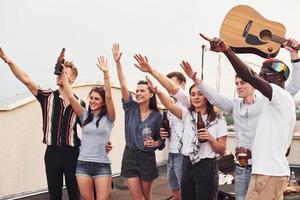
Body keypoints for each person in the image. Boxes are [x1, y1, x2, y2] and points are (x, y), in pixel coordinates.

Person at [180, 36, 300, 200]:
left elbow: (254, 76)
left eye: (264, 76)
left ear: (279, 78)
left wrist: (226, 50)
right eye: (260, 75)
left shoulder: (278, 97)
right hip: (254, 166)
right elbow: (217, 99)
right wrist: (198, 82)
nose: (261, 78)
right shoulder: (264, 104)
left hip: (269, 172)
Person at [0, 48, 85, 200]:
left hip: (72, 154)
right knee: (54, 195)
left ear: (71, 79)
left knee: (75, 194)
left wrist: (104, 143)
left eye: (64, 73)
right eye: (58, 72)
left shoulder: (80, 104)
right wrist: (9, 61)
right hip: (52, 153)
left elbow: (89, 129)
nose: (59, 74)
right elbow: (26, 79)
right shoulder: (47, 97)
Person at [141, 62, 227, 199]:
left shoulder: (218, 119)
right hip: (187, 163)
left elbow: (222, 149)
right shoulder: (187, 114)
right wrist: (157, 91)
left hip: (206, 166)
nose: (196, 97)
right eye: (193, 94)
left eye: (200, 94)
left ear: (207, 97)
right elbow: (169, 104)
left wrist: (210, 138)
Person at [112, 44, 165, 200]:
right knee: (138, 198)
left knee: (146, 198)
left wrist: (156, 143)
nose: (138, 93)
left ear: (150, 94)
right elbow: (123, 85)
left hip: (147, 158)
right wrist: (117, 63)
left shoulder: (157, 116)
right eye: (138, 90)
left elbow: (161, 141)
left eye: (142, 90)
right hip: (130, 155)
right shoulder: (130, 108)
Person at [134, 54, 189, 200]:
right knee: (175, 192)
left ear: (182, 85)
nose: (167, 87)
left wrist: (151, 71)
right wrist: (163, 135)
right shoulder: (168, 108)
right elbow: (169, 130)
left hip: (183, 155)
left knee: (185, 192)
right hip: (171, 153)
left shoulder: (187, 103)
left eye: (170, 84)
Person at [61, 55, 115, 200]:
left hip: (102, 166)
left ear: (103, 102)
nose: (92, 101)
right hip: (83, 164)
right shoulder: (84, 115)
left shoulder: (109, 117)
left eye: (97, 98)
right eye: (91, 98)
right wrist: (62, 73)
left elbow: (109, 96)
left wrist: (106, 74)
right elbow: (71, 97)